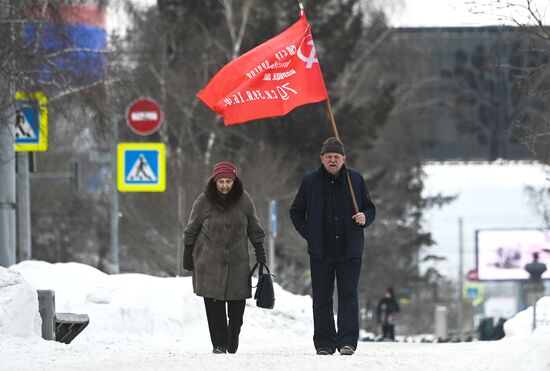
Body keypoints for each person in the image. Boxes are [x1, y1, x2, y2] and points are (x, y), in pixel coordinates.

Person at [290, 137, 376, 356]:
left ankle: (348, 341)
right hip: (321, 252)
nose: (332, 160)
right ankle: (324, 343)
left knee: (348, 296)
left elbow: (370, 208)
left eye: (336, 156)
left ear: (344, 159)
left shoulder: (355, 179)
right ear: (321, 158)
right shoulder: (310, 181)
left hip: (350, 250)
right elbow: (296, 212)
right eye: (328, 156)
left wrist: (364, 217)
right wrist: (310, 234)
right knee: (321, 299)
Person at [183, 161, 266, 354]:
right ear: (214, 181)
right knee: (214, 307)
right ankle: (219, 344)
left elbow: (255, 228)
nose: (225, 185)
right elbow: (191, 230)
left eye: (228, 181)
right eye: (221, 181)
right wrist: (187, 256)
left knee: (237, 308)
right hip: (208, 263)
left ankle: (233, 334)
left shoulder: (244, 200)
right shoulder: (203, 201)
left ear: (234, 181)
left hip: (238, 262)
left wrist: (260, 252)